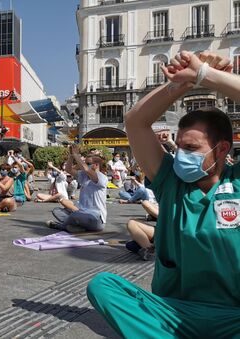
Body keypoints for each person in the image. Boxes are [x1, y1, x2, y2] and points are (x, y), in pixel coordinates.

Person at [87, 50, 240, 338]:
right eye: (179, 146)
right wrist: (180, 83)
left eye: (192, 149)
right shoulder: (170, 180)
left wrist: (207, 76)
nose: (182, 155)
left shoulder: (237, 181)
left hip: (232, 316)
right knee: (103, 286)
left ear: (221, 149)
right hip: (172, 310)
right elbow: (136, 121)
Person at [46, 144, 107, 233]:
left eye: (88, 163)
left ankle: (63, 226)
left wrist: (76, 155)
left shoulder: (102, 177)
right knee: (57, 211)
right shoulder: (84, 176)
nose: (85, 165)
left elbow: (86, 169)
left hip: (96, 218)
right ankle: (76, 227)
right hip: (82, 213)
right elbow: (68, 169)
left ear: (96, 165)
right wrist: (71, 156)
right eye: (85, 163)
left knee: (75, 215)